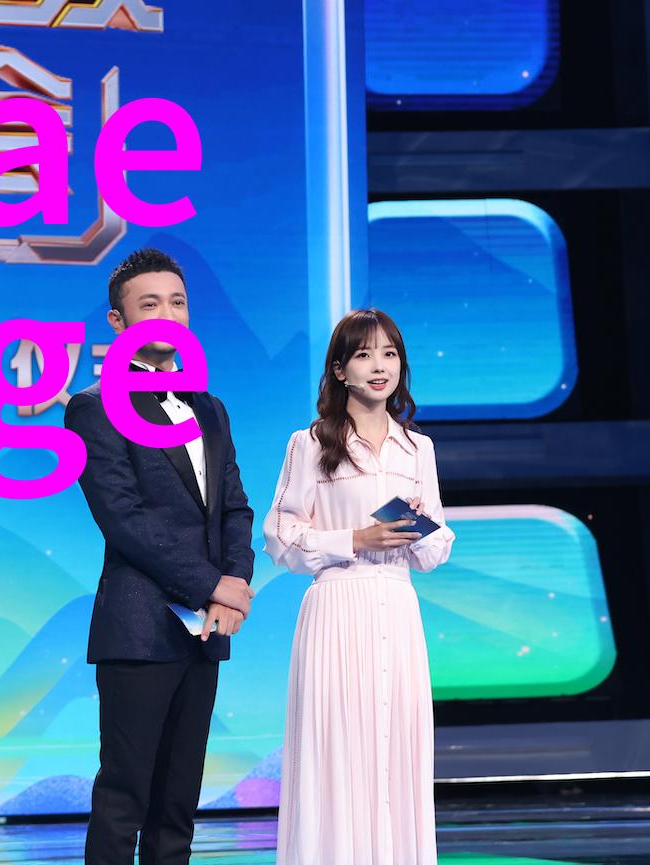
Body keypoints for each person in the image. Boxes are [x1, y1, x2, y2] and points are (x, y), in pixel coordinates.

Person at [67, 247, 256, 865]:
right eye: (149, 305)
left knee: (178, 801)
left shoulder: (209, 408)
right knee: (126, 794)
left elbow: (234, 508)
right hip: (141, 628)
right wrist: (212, 585)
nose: (168, 315)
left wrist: (235, 584)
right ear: (117, 322)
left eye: (178, 302)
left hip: (205, 629)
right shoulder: (95, 406)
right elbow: (125, 520)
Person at [264, 308, 454, 865]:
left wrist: (418, 526)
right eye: (365, 354)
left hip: (397, 603)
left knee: (397, 744)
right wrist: (355, 538)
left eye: (390, 354)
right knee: (337, 745)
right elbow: (281, 536)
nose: (379, 366)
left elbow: (435, 552)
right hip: (337, 603)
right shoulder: (309, 443)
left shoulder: (418, 449)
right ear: (339, 369)